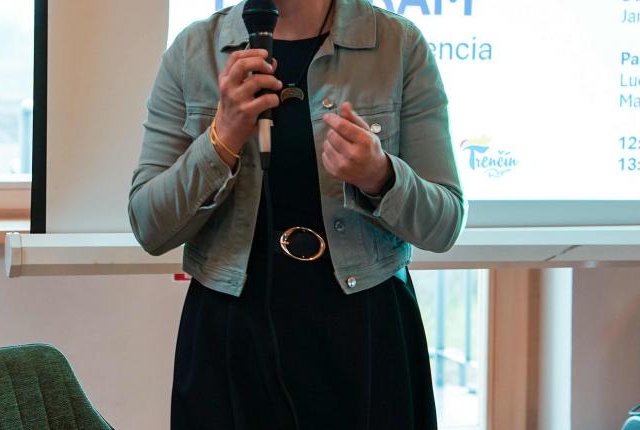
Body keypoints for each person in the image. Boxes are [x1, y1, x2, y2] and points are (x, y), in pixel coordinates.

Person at [128, 0, 465, 428]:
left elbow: (444, 223)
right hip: (231, 333)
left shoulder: (398, 45)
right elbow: (149, 226)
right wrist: (221, 139)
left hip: (364, 330)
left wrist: (381, 176)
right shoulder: (195, 50)